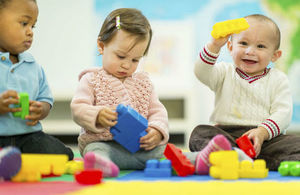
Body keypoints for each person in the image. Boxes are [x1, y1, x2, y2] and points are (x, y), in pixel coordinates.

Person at [71, 8, 233, 177]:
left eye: (135, 59)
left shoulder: (143, 82)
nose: (127, 65)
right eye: (120, 57)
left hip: (141, 149)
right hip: (104, 145)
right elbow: (78, 108)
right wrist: (96, 115)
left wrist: (156, 131)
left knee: (164, 153)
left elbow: (157, 111)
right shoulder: (90, 79)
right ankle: (100, 163)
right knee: (94, 150)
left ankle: (200, 159)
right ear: (101, 46)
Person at [189, 14, 300, 170]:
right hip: (227, 134)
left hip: (266, 139)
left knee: (296, 143)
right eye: (243, 43)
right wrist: (214, 46)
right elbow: (201, 72)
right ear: (230, 47)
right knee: (199, 133)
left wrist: (262, 132)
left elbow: (283, 113)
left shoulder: (278, 79)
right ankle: (233, 155)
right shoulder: (224, 72)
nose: (250, 51)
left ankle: (237, 160)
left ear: (275, 55)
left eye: (260, 46)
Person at [0, 0, 73, 160]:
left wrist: (41, 110)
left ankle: (11, 161)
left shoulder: (33, 66)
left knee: (62, 154)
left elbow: (45, 99)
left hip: (28, 136)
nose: (30, 32)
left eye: (33, 26)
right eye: (24, 23)